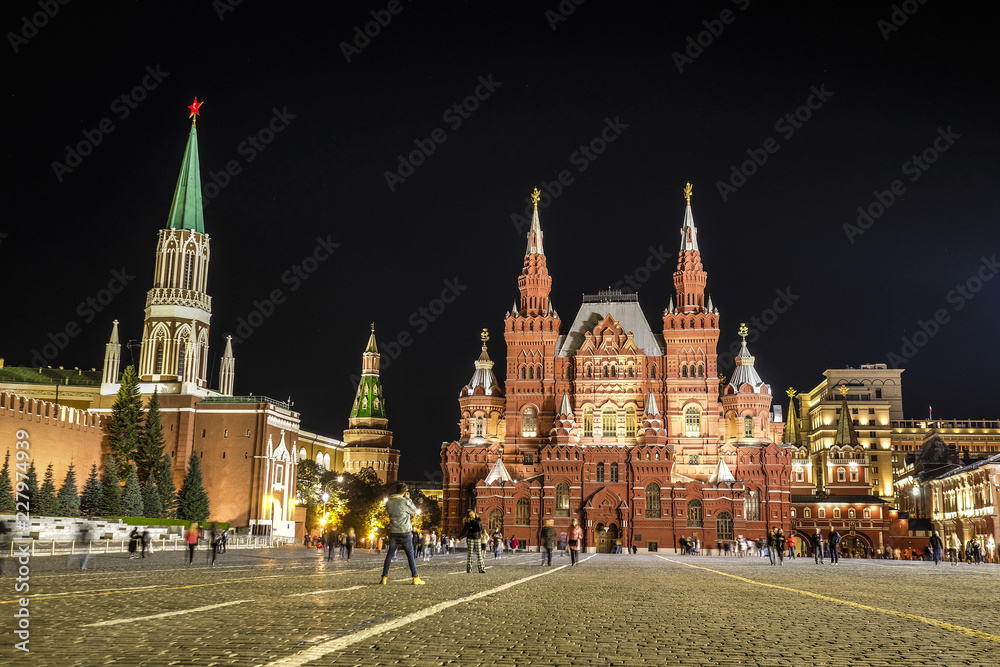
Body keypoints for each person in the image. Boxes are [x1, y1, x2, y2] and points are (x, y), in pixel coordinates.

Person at [380, 483, 425, 585]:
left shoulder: (389, 502)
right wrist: (408, 499)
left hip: (393, 531)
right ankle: (415, 577)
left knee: (390, 554)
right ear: (405, 492)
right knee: (410, 555)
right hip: (404, 531)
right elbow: (414, 510)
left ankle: (384, 577)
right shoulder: (404, 501)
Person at [459, 510, 486, 574]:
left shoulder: (478, 520)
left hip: (477, 538)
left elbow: (481, 529)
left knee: (479, 554)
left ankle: (481, 569)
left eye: (472, 514)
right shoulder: (468, 522)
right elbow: (464, 530)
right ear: (469, 515)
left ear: (474, 513)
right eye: (470, 515)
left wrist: (483, 534)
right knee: (470, 554)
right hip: (470, 538)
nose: (472, 515)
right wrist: (459, 537)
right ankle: (469, 569)